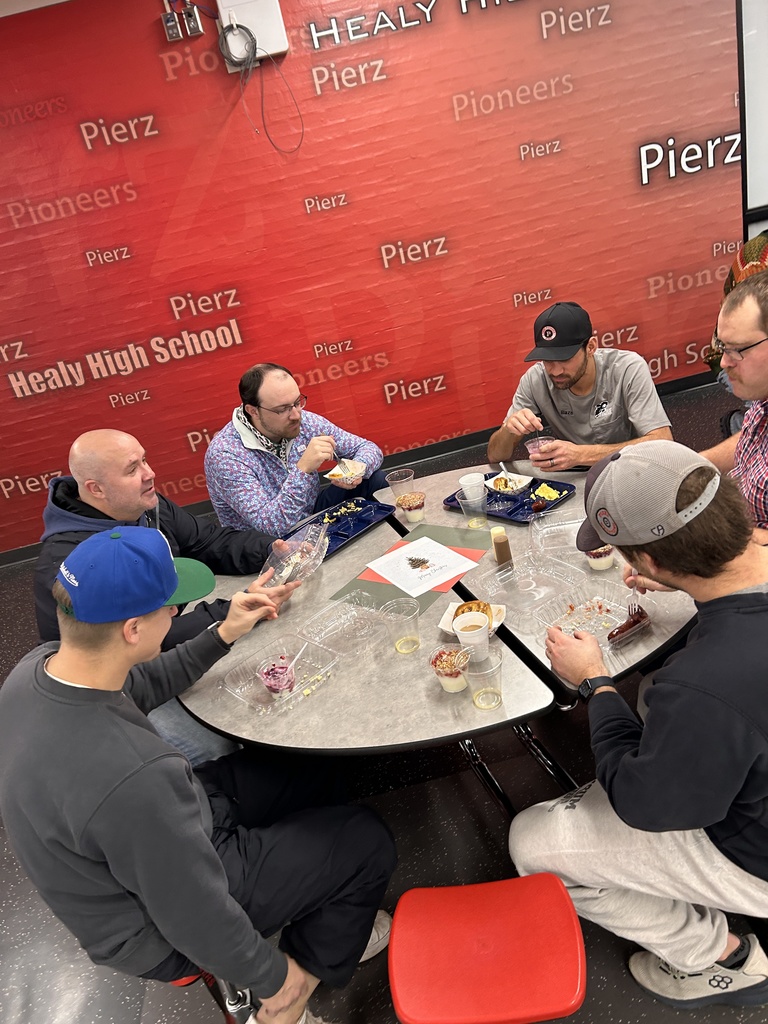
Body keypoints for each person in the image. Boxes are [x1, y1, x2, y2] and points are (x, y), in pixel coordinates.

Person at [0, 528, 397, 1024]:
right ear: (132, 629)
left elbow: (139, 684)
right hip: (154, 928)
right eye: (170, 609)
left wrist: (224, 632)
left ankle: (327, 914)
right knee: (366, 841)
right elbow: (192, 912)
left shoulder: (38, 668)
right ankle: (295, 994)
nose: (175, 616)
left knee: (312, 767)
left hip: (156, 834)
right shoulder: (133, 775)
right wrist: (274, 978)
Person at [508, 440, 768, 1009]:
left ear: (648, 562)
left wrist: (596, 684)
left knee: (531, 841)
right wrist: (686, 580)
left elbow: (647, 806)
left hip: (754, 850)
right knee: (655, 696)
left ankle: (720, 957)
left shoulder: (704, 684)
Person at [34, 429, 296, 763]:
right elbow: (138, 644)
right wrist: (226, 614)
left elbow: (206, 541)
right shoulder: (71, 564)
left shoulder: (144, 506)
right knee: (213, 745)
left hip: (156, 643)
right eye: (132, 469)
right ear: (95, 489)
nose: (150, 473)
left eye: (144, 460)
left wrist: (270, 550)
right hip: (116, 681)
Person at [204, 363, 387, 535]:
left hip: (311, 514)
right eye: (282, 409)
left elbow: (367, 448)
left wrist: (354, 471)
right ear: (253, 411)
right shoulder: (225, 455)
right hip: (267, 544)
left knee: (374, 480)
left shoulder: (303, 421)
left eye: (297, 402)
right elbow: (272, 527)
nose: (296, 415)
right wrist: (303, 469)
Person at [487, 302, 672, 471]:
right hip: (572, 477)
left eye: (565, 358)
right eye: (547, 360)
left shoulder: (627, 368)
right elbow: (495, 456)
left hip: (629, 470)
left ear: (590, 347)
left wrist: (581, 455)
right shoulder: (534, 379)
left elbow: (663, 442)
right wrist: (508, 430)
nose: (556, 371)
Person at [700, 270, 768, 540]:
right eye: (722, 346)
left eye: (737, 349)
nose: (724, 362)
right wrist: (693, 465)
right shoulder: (761, 401)